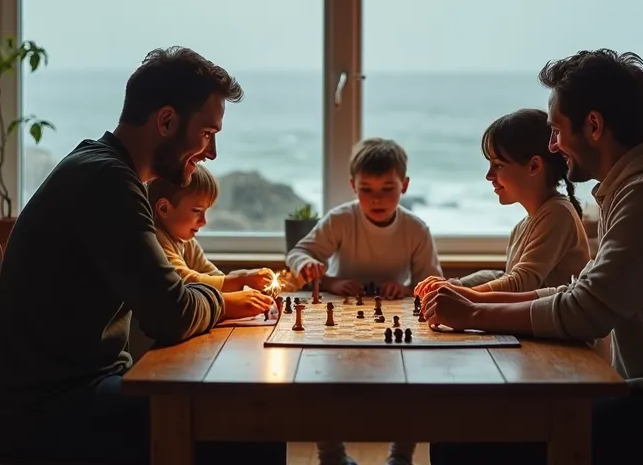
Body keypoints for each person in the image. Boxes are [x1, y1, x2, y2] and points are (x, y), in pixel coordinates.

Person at [424, 49, 643, 465]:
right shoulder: (638, 188)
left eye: (557, 130)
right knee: (471, 423)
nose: (553, 144)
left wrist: (473, 315)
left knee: (462, 435)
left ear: (593, 126)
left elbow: (587, 312)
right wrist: (476, 302)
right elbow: (579, 291)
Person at [0, 46, 285, 465]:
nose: (211, 153)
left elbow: (168, 293)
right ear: (166, 121)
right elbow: (172, 314)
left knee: (241, 412)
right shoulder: (109, 182)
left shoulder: (101, 167)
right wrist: (224, 302)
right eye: (207, 134)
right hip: (54, 417)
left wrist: (212, 297)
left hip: (68, 397)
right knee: (255, 422)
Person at [287, 137, 442, 465]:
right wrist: (325, 277)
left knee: (409, 384)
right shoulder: (340, 219)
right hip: (340, 315)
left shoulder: (417, 229)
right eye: (366, 189)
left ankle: (401, 456)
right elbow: (299, 252)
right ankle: (332, 456)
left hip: (393, 318)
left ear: (405, 185)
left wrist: (403, 290)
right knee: (322, 380)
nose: (377, 199)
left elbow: (431, 284)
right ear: (352, 185)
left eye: (388, 188)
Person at [414, 108, 591, 298]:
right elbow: (507, 277)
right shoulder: (523, 225)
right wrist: (456, 284)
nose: (489, 176)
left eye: (498, 165)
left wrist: (463, 293)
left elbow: (521, 283)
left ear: (534, 166)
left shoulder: (558, 214)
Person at [147, 163, 276, 293]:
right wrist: (240, 279)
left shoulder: (187, 243)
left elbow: (212, 276)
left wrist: (240, 277)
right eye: (197, 211)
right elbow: (183, 280)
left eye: (205, 211)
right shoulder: (155, 241)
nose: (204, 221)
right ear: (164, 208)